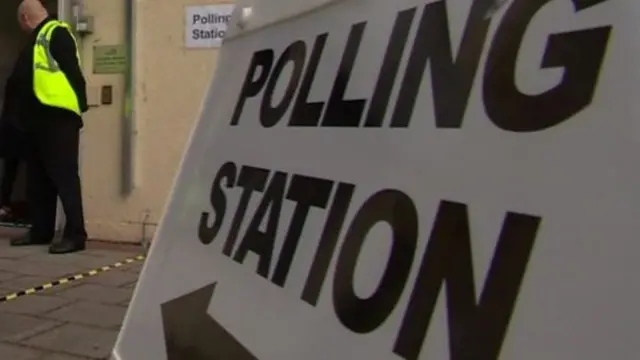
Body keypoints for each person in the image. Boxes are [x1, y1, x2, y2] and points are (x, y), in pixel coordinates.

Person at [8, 0, 89, 254]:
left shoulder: (55, 32)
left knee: (63, 176)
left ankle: (76, 234)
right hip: (37, 122)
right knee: (38, 178)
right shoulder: (37, 39)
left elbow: (74, 74)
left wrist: (79, 106)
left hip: (57, 119)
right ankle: (41, 230)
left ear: (24, 18)